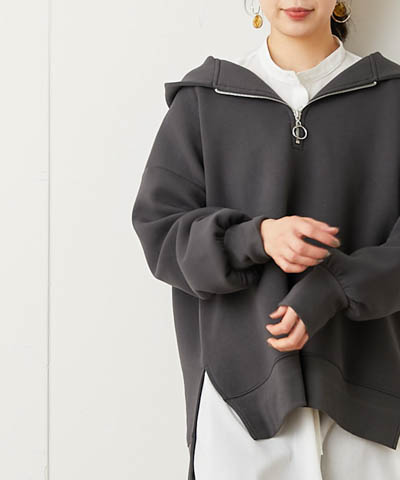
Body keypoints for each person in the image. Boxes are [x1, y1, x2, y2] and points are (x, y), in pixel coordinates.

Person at [131, 1, 400, 479]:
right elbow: (160, 229)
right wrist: (253, 238)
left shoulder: (392, 98)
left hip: (368, 398)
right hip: (238, 402)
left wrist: (336, 287)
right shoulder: (206, 100)